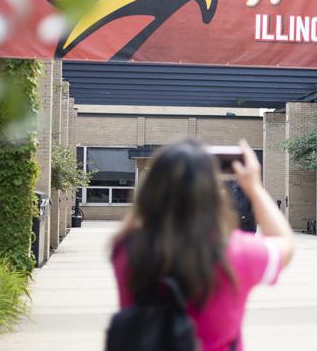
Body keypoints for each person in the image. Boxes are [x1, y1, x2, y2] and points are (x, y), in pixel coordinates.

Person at [111, 139, 294, 350]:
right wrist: (254, 186)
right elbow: (284, 244)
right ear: (211, 193)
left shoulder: (126, 249)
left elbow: (142, 220)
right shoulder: (235, 253)